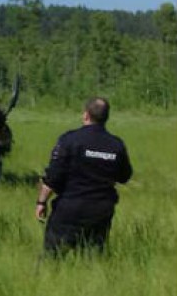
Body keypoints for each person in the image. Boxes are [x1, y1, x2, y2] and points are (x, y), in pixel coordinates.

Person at [36, 97, 132, 256]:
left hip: (70, 208)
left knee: (52, 256)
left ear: (86, 115)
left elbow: (53, 176)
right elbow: (125, 176)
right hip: (101, 210)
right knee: (92, 258)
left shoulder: (69, 140)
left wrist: (41, 202)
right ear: (106, 117)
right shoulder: (116, 145)